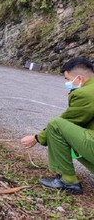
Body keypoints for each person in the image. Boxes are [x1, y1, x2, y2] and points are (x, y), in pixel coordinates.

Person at [21, 57, 94, 195]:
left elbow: (68, 120)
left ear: (80, 78)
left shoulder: (85, 93)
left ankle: (69, 181)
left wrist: (36, 138)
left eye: (67, 79)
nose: (67, 83)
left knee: (56, 125)